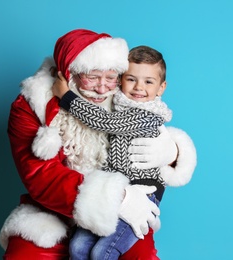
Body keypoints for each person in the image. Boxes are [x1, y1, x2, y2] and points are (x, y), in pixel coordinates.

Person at [0, 29, 197, 259]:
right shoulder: (33, 105)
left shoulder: (124, 92)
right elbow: (43, 177)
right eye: (92, 77)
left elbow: (142, 116)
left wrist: (173, 151)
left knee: (136, 254)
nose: (102, 88)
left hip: (135, 197)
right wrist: (118, 199)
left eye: (111, 78)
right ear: (70, 74)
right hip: (54, 211)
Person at [52, 45, 190, 260]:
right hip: (113, 190)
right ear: (120, 80)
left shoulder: (147, 115)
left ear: (161, 88)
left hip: (142, 194)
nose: (138, 87)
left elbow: (104, 121)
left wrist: (67, 97)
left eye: (148, 82)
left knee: (101, 253)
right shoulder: (117, 104)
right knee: (78, 247)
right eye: (131, 79)